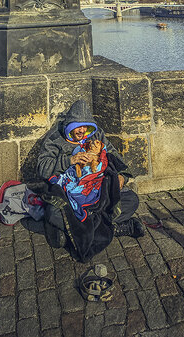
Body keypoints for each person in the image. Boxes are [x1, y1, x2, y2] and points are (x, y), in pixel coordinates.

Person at [36, 100, 144, 258]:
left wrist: (122, 176)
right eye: (77, 127)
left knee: (131, 199)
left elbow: (112, 154)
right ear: (69, 126)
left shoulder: (96, 134)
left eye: (85, 126)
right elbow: (42, 169)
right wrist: (70, 161)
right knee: (53, 212)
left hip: (96, 191)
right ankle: (115, 228)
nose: (82, 131)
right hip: (70, 194)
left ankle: (70, 236)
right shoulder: (55, 139)